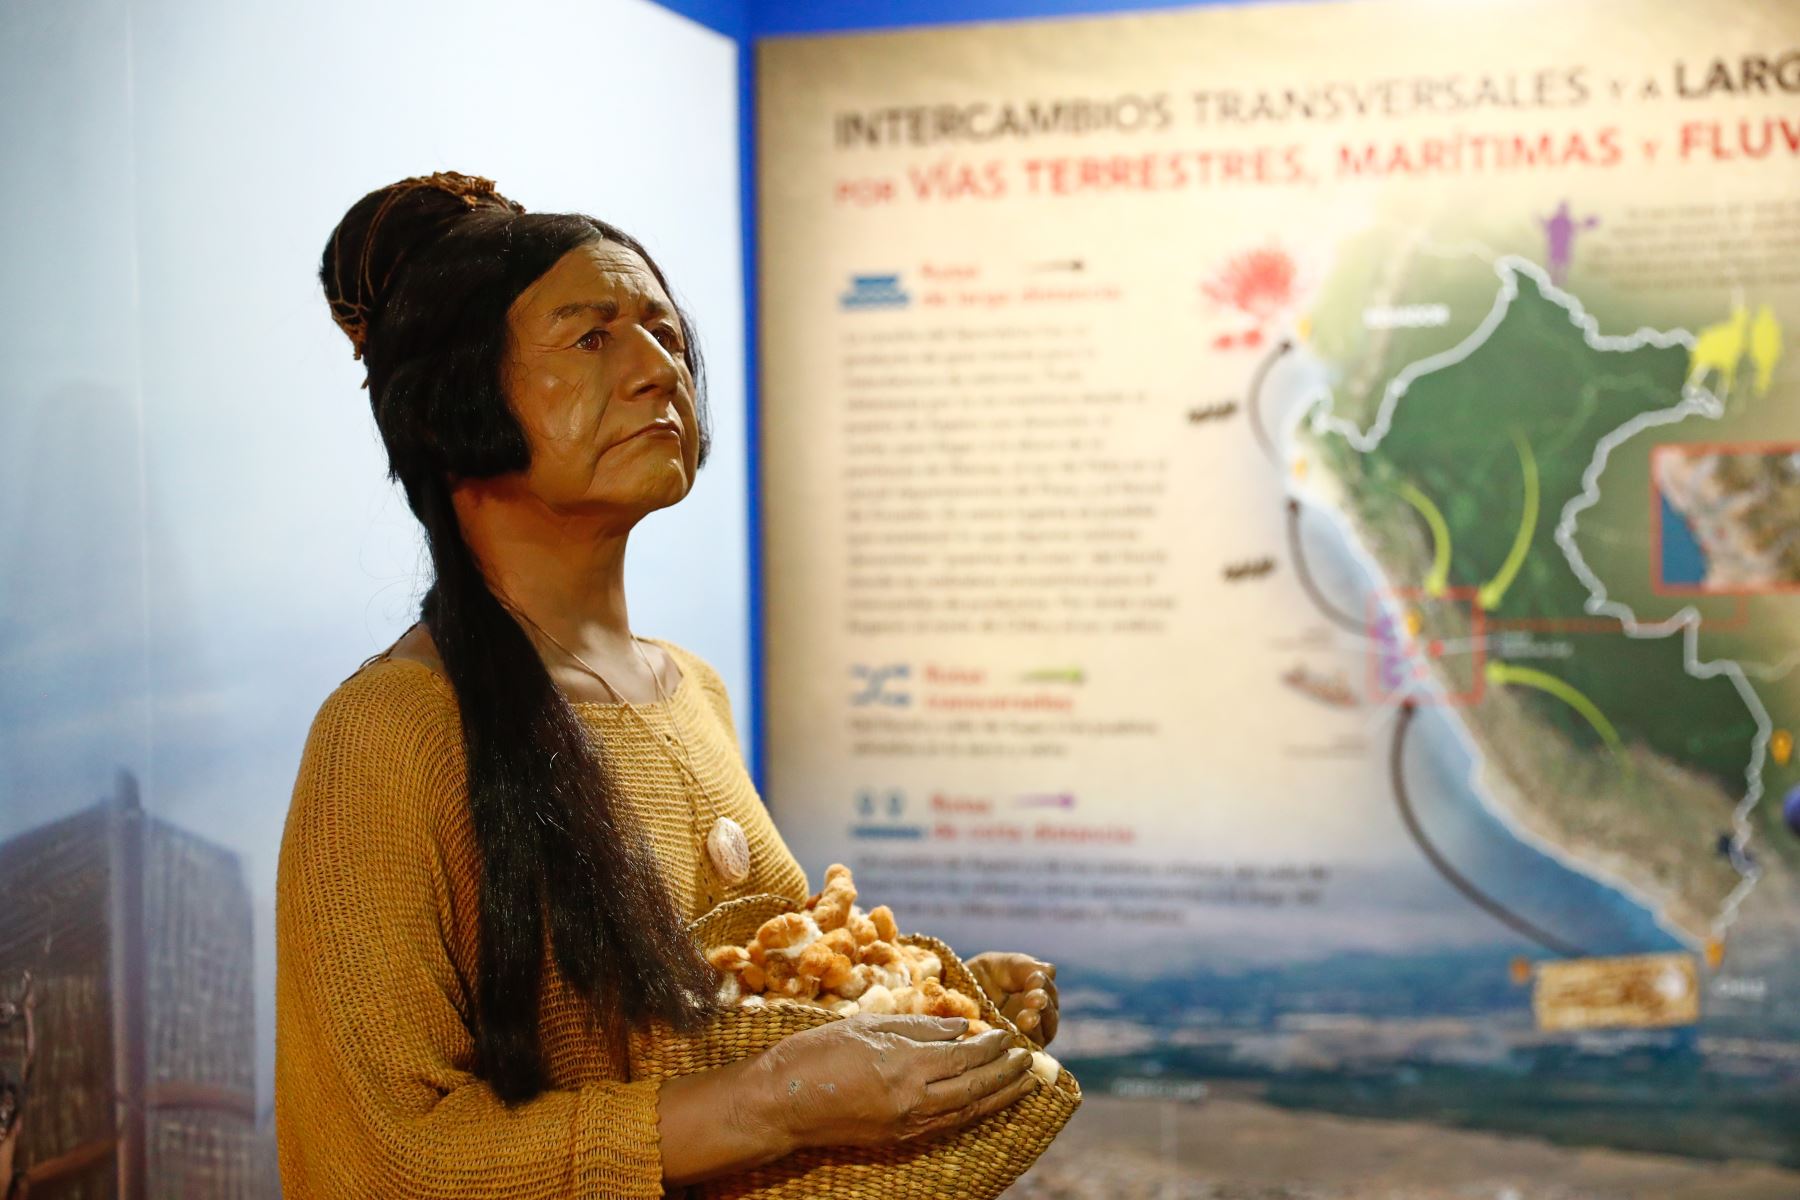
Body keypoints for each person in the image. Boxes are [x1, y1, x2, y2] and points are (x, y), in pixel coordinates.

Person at [275, 171, 1060, 1198]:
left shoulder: (692, 692)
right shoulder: (390, 734)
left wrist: (920, 1019)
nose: (661, 370)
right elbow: (389, 1154)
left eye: (665, 332)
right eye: (591, 337)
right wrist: (773, 1103)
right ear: (453, 396)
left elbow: (725, 1008)